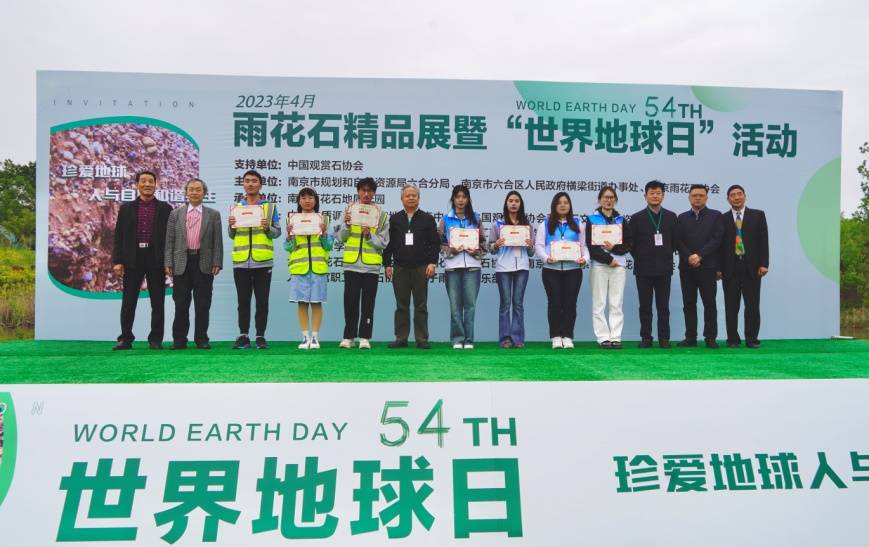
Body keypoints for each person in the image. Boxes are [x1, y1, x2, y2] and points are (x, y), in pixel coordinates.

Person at [111, 170, 172, 350]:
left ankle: (155, 339)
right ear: (137, 184)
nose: (147, 184)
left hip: (156, 259)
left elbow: (170, 238)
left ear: (156, 184)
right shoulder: (126, 208)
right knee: (129, 301)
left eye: (150, 181)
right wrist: (117, 260)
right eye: (143, 181)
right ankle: (126, 338)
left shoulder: (165, 208)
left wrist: (168, 262)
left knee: (158, 301)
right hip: (132, 259)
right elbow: (119, 236)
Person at [164, 178, 223, 350]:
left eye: (198, 190)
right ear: (186, 192)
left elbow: (217, 241)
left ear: (204, 193)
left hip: (203, 262)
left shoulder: (213, 214)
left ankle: (201, 339)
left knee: (203, 303)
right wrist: (168, 261)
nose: (194, 192)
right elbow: (170, 240)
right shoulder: (176, 214)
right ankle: (179, 340)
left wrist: (217, 261)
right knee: (181, 303)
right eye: (191, 189)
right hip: (181, 262)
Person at [228, 170, 281, 349]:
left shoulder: (270, 207)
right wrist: (231, 225)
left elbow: (278, 232)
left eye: (254, 181)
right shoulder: (236, 207)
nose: (250, 184)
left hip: (262, 261)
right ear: (243, 184)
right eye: (247, 181)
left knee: (262, 301)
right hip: (241, 260)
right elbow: (231, 234)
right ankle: (243, 335)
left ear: (260, 184)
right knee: (242, 301)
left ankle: (260, 336)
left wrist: (267, 228)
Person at [336, 177, 390, 350]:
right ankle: (348, 337)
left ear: (374, 193)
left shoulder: (381, 215)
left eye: (370, 191)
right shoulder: (349, 210)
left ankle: (365, 337)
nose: (366, 194)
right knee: (350, 301)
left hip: (371, 266)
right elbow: (340, 237)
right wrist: (346, 224)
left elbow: (383, 242)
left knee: (368, 303)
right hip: (352, 264)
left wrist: (369, 236)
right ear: (358, 191)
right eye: (363, 190)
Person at [383, 184, 439, 349]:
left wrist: (432, 263)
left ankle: (421, 338)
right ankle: (401, 338)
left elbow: (434, 243)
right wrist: (387, 264)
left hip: (421, 267)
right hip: (400, 268)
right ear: (402, 199)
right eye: (407, 196)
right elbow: (389, 244)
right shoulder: (394, 219)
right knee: (401, 305)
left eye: (414, 195)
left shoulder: (427, 219)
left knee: (421, 305)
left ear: (419, 198)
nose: (411, 198)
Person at [534, 192, 589, 349]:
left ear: (570, 205)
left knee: (570, 303)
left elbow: (584, 246)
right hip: (551, 269)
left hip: (573, 269)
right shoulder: (545, 224)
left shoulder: (578, 224)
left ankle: (568, 336)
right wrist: (546, 258)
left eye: (566, 202)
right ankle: (556, 336)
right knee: (554, 303)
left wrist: (584, 259)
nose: (563, 205)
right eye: (559, 203)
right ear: (554, 205)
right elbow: (538, 246)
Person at [628, 180, 678, 349]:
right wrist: (642, 257)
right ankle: (646, 337)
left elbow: (675, 242)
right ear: (645, 196)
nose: (655, 196)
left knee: (663, 306)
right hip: (643, 269)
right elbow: (631, 244)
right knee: (645, 306)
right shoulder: (636, 218)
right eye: (652, 193)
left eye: (658, 193)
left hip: (664, 269)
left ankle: (664, 338)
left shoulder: (671, 217)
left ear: (663, 196)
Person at [718, 185, 769, 348]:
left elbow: (763, 241)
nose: (736, 197)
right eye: (732, 195)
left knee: (752, 306)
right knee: (731, 306)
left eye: (739, 194)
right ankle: (732, 339)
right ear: (728, 199)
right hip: (729, 268)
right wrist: (719, 268)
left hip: (752, 268)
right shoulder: (722, 218)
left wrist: (764, 263)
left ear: (745, 196)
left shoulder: (758, 215)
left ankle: (752, 339)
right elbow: (719, 245)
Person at [439, 185, 487, 349]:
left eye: (464, 197)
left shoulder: (476, 218)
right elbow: (439, 244)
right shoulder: (445, 219)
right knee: (455, 305)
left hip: (472, 267)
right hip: (453, 267)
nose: (460, 200)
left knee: (470, 305)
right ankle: (457, 339)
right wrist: (450, 250)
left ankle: (469, 340)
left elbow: (484, 244)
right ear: (453, 199)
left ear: (468, 199)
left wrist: (476, 252)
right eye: (457, 197)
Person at [676, 184, 723, 348]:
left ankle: (710, 338)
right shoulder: (681, 217)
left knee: (709, 303)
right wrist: (689, 256)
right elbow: (678, 241)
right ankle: (690, 337)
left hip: (708, 267)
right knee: (689, 303)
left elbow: (717, 240)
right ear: (689, 197)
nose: (697, 198)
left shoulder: (716, 216)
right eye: (694, 195)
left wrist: (700, 255)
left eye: (701, 195)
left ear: (707, 197)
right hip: (687, 267)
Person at [285, 187, 332, 350]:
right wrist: (289, 236)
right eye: (303, 197)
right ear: (299, 201)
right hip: (299, 268)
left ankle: (315, 338)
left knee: (317, 303)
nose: (307, 200)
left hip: (318, 268)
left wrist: (324, 233)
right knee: (302, 303)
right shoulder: (291, 220)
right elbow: (288, 247)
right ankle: (305, 337)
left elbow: (329, 246)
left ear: (316, 200)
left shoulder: (323, 220)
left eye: (310, 197)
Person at [585, 186, 632, 350]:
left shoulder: (621, 220)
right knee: (599, 303)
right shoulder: (591, 219)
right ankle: (603, 337)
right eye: (605, 197)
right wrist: (607, 258)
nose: (609, 200)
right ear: (599, 200)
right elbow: (590, 245)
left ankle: (615, 337)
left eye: (612, 197)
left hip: (618, 265)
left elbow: (628, 244)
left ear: (615, 200)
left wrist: (614, 250)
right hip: (599, 265)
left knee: (616, 302)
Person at [489, 191, 534, 348]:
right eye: (511, 201)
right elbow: (491, 249)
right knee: (505, 304)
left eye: (516, 201)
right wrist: (496, 244)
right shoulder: (498, 224)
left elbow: (532, 252)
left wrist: (530, 246)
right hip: (503, 268)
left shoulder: (527, 225)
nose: (513, 203)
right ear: (506, 204)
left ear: (520, 204)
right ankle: (505, 338)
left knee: (518, 304)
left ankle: (518, 338)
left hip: (522, 267)